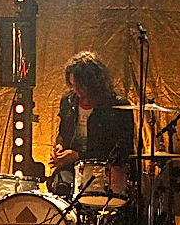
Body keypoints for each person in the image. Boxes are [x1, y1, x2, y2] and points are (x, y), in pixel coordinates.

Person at [48, 51, 135, 200]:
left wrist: (78, 155)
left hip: (105, 171)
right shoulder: (68, 101)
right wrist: (60, 146)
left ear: (94, 83)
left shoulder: (117, 106)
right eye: (73, 85)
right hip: (72, 170)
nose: (76, 90)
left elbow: (122, 148)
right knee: (59, 189)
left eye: (80, 86)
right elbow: (63, 133)